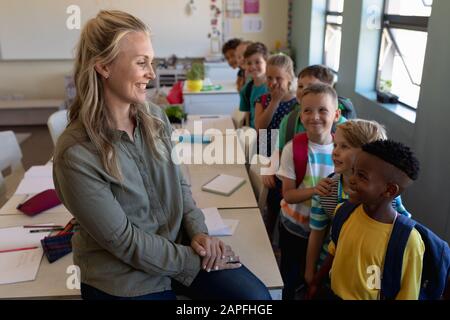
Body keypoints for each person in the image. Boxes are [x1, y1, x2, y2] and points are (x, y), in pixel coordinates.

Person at [53, 10, 271, 300]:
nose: (152, 74)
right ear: (104, 66)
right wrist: (194, 259)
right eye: (141, 62)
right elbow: (125, 242)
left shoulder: (155, 117)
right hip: (123, 276)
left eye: (151, 62)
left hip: (178, 246)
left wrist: (199, 234)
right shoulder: (75, 152)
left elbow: (180, 187)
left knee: (256, 299)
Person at [309, 140, 424, 300]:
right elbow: (334, 251)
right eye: (354, 171)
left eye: (362, 176)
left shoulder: (407, 241)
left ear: (389, 190)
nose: (352, 179)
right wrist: (316, 282)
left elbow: (407, 294)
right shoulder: (343, 212)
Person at [276, 83, 341, 299]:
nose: (315, 117)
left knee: (315, 277)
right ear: (300, 116)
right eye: (307, 110)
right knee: (290, 275)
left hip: (324, 232)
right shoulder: (292, 149)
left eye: (323, 110)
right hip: (294, 227)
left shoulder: (342, 152)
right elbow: (288, 194)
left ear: (337, 114)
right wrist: (316, 190)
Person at [253, 53, 297, 238]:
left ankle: (283, 234)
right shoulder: (263, 100)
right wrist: (275, 102)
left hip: (285, 159)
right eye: (269, 78)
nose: (272, 82)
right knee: (271, 202)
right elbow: (260, 127)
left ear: (289, 78)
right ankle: (268, 237)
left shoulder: (297, 104)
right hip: (265, 153)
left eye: (278, 78)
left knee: (283, 200)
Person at [239, 42, 269, 128]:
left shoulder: (273, 87)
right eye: (249, 63)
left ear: (266, 62)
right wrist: (249, 131)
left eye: (257, 62)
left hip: (271, 133)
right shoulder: (246, 89)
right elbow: (247, 113)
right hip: (254, 133)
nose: (253, 66)